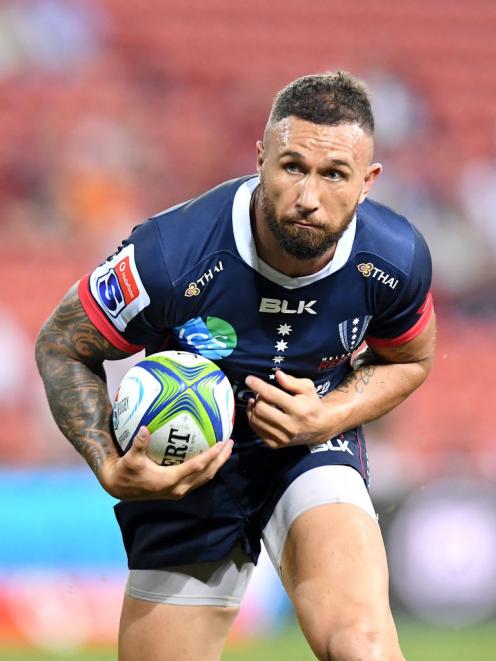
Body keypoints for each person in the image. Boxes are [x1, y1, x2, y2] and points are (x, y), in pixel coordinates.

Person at [36, 71, 435, 661]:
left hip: (311, 449)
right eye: (292, 166)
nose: (307, 196)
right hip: (184, 464)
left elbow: (411, 360)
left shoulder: (395, 260)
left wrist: (329, 415)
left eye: (334, 175)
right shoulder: (169, 256)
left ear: (368, 182)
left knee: (363, 648)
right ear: (260, 158)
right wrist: (108, 464)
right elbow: (61, 345)